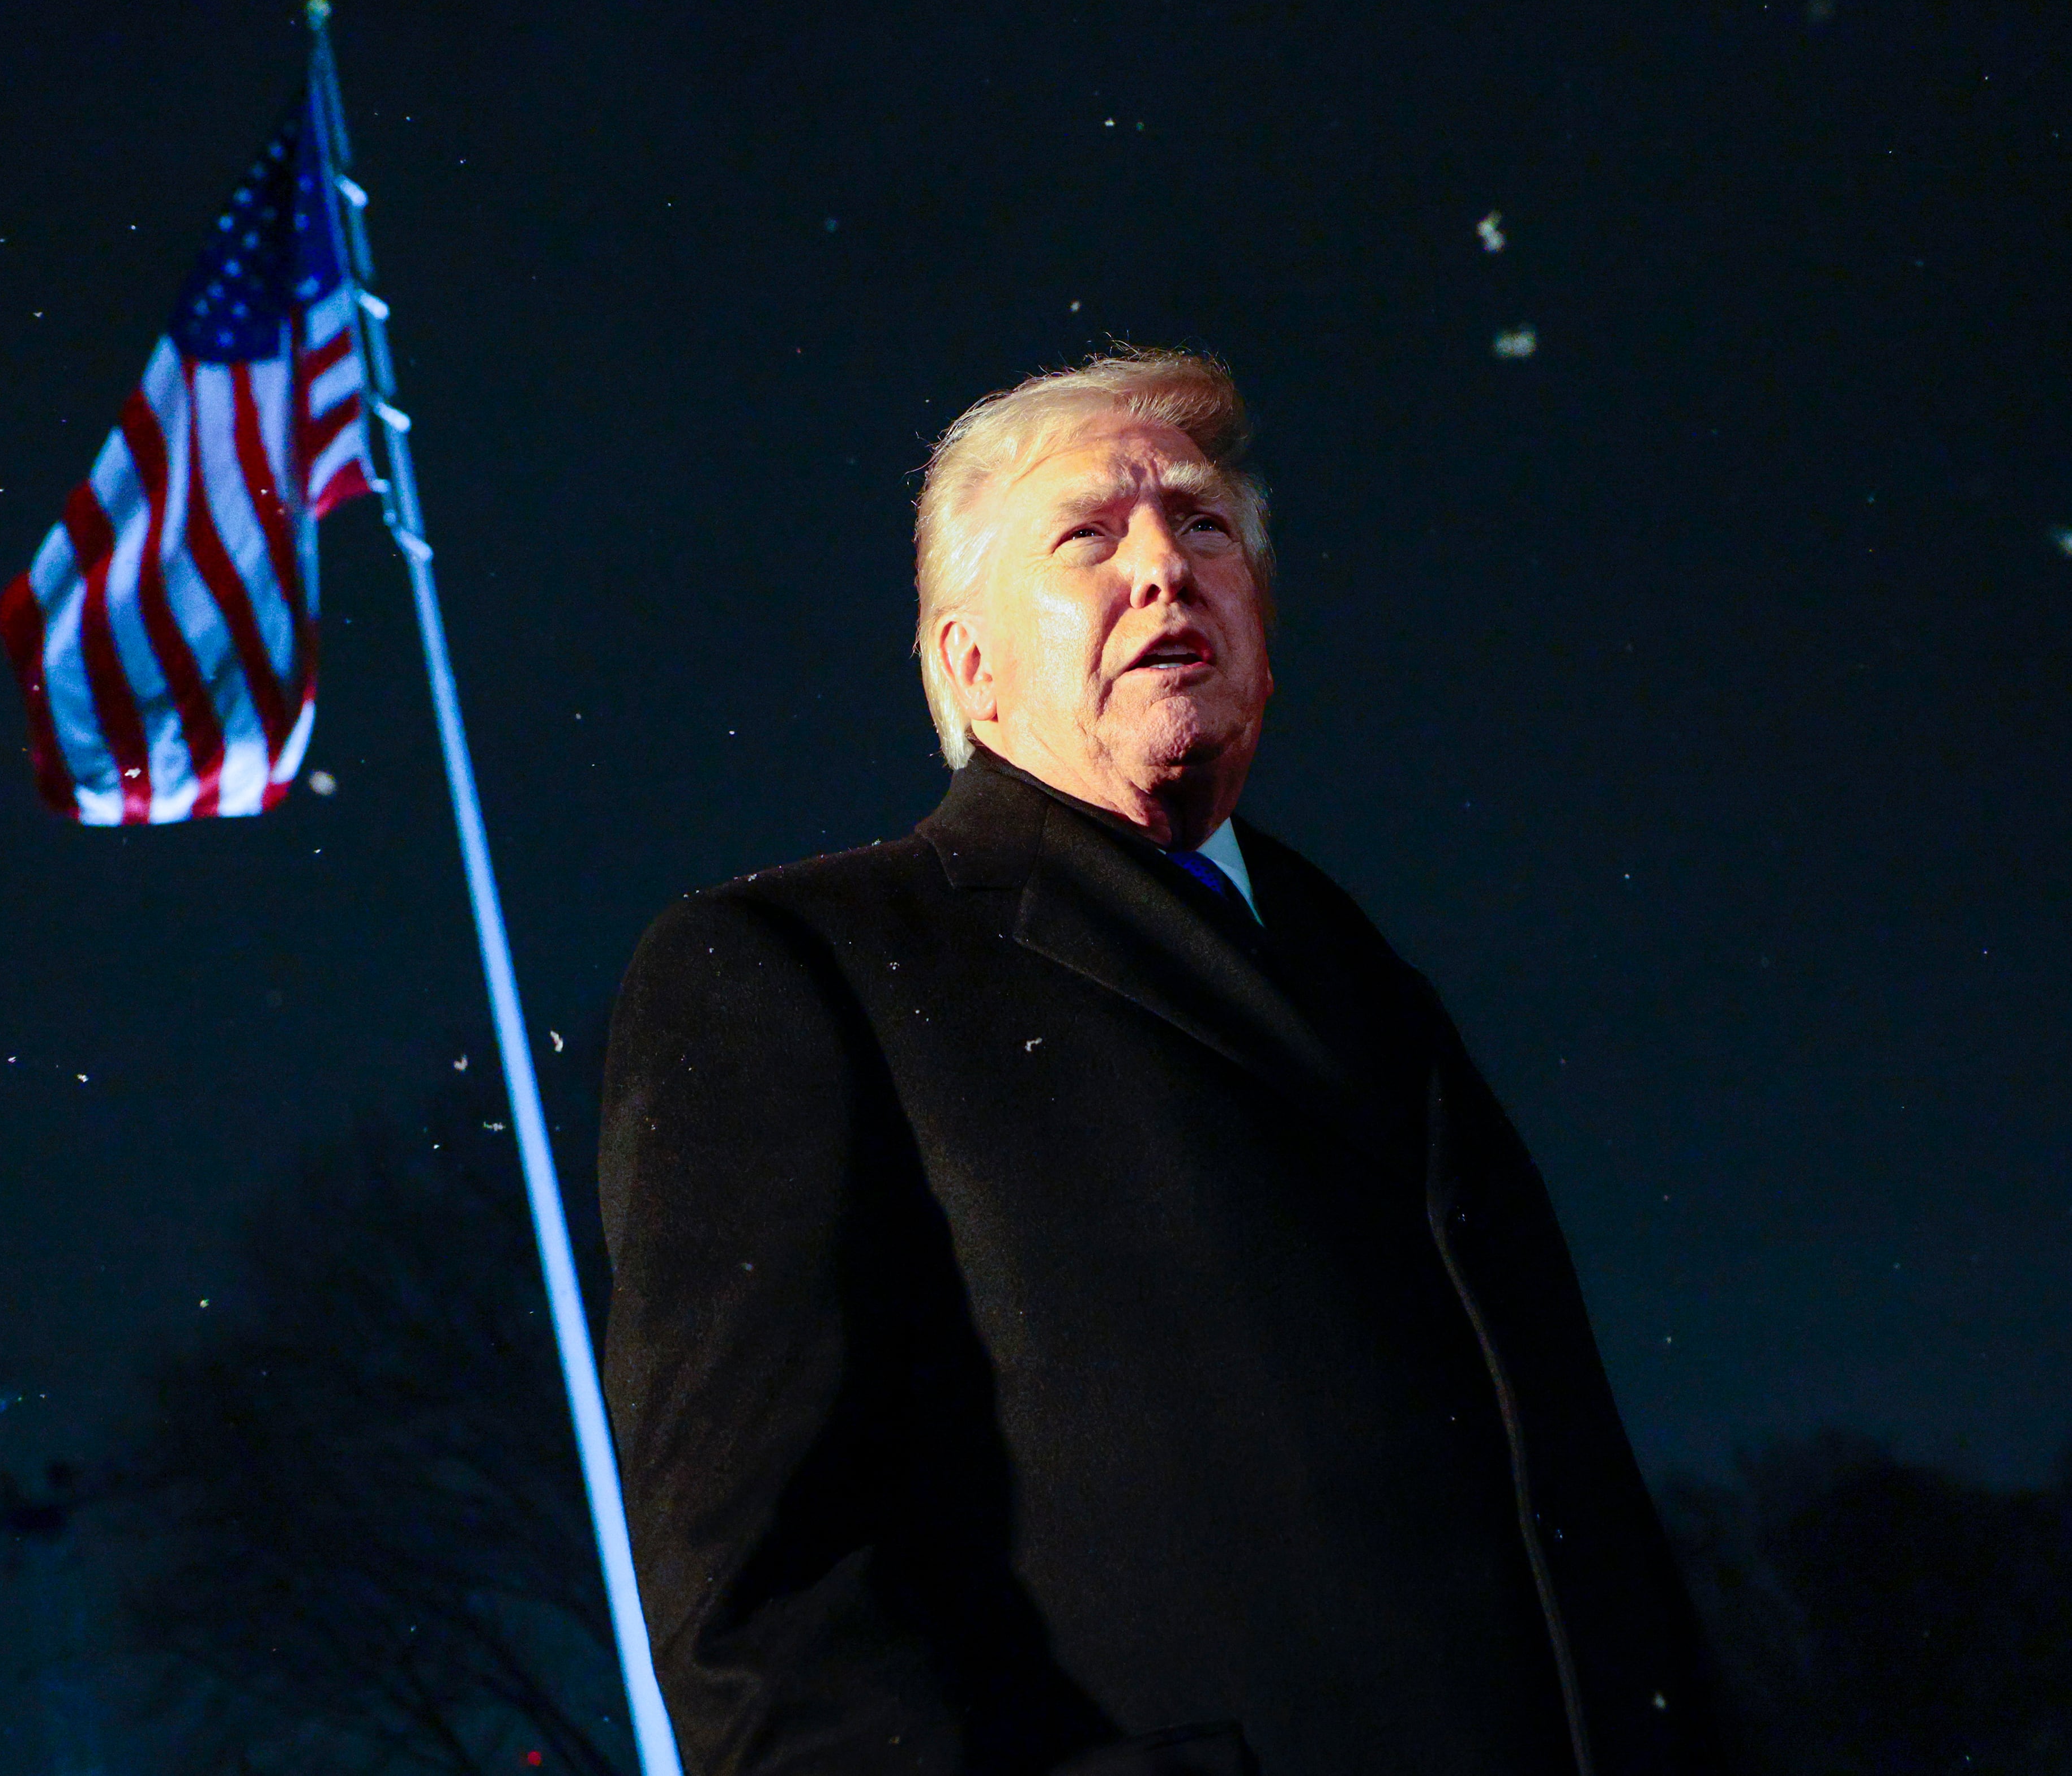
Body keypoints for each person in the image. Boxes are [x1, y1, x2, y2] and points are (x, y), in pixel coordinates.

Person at [597, 352, 1724, 1776]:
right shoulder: (787, 968)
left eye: (1203, 527)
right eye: (1087, 534)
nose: (1163, 568)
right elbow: (756, 1602)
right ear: (967, 663)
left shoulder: (1385, 990)